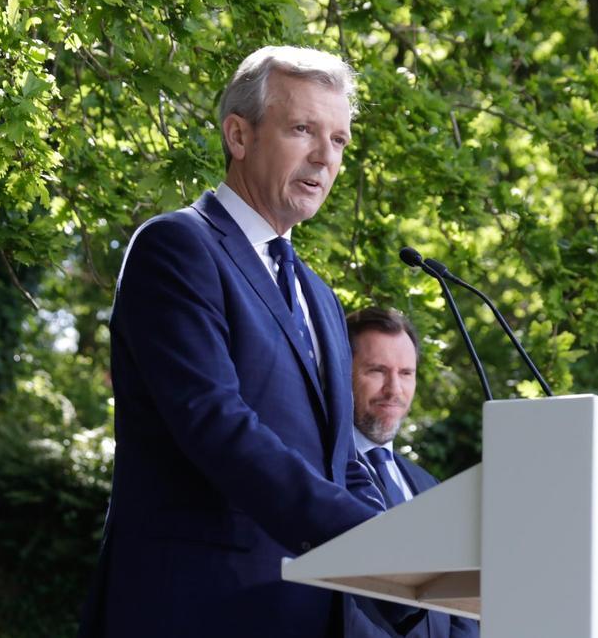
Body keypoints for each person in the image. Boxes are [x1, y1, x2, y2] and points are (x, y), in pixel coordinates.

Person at [78, 46, 388, 638]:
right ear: (239, 136)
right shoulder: (176, 248)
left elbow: (342, 465)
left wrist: (406, 556)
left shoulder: (320, 297)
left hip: (311, 615)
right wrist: (373, 543)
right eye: (303, 130)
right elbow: (217, 426)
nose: (326, 157)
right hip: (198, 607)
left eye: (341, 140)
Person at [346, 307, 480, 638]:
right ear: (339, 371)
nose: (395, 390)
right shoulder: (319, 471)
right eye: (377, 371)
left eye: (406, 373)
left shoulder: (429, 487)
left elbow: (458, 604)